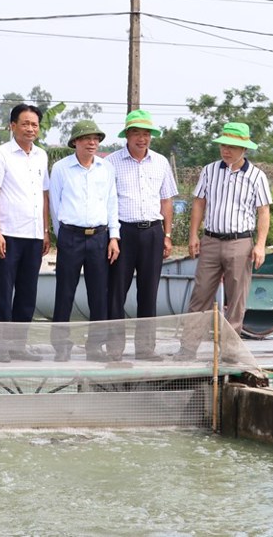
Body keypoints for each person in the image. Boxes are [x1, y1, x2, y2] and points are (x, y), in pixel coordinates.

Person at [175, 122, 272, 361]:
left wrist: (260, 245)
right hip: (210, 240)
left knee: (236, 299)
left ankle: (229, 353)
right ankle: (188, 349)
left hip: (240, 242)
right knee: (200, 296)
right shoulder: (209, 171)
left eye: (232, 146)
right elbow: (199, 202)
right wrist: (193, 235)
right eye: (223, 146)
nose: (226, 150)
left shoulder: (257, 176)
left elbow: (263, 211)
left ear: (244, 149)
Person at [105, 109, 178, 361]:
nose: (141, 138)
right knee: (117, 292)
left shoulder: (160, 162)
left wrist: (167, 235)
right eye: (136, 133)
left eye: (146, 133)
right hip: (123, 232)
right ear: (127, 135)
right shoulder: (111, 162)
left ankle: (146, 349)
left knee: (149, 292)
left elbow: (166, 200)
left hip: (153, 233)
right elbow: (107, 201)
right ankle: (115, 349)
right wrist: (112, 236)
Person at [48, 120, 120, 362]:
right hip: (70, 236)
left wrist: (114, 236)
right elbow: (54, 206)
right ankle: (61, 346)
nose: (92, 143)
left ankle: (95, 346)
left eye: (96, 139)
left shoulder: (106, 168)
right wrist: (63, 235)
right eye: (87, 138)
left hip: (99, 237)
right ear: (75, 142)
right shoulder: (60, 168)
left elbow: (112, 203)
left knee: (99, 294)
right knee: (65, 292)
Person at [0, 104, 49, 363]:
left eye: (34, 124)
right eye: (25, 123)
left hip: (34, 235)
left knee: (27, 292)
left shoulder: (42, 156)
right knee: (3, 291)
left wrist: (45, 231)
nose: (30, 128)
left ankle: (19, 344)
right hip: (8, 234)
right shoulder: (0, 155)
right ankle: (0, 346)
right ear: (12, 126)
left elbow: (44, 195)